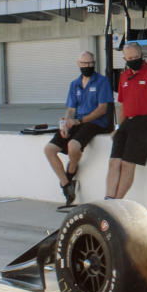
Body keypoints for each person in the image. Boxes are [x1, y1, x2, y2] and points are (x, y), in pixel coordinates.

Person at [44, 51, 114, 205]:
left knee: (73, 146)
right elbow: (70, 109)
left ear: (94, 63)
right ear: (78, 64)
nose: (87, 66)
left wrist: (79, 121)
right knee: (49, 149)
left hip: (95, 123)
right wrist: (66, 124)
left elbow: (102, 109)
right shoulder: (74, 84)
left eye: (90, 63)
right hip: (77, 121)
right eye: (84, 63)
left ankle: (71, 170)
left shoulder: (102, 82)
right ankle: (66, 184)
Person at [105, 41, 147, 199]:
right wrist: (119, 127)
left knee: (128, 163)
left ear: (141, 55)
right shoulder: (124, 76)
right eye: (129, 58)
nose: (133, 59)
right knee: (114, 162)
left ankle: (117, 202)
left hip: (146, 122)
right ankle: (108, 199)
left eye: (136, 56)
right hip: (128, 122)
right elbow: (122, 104)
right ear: (125, 58)